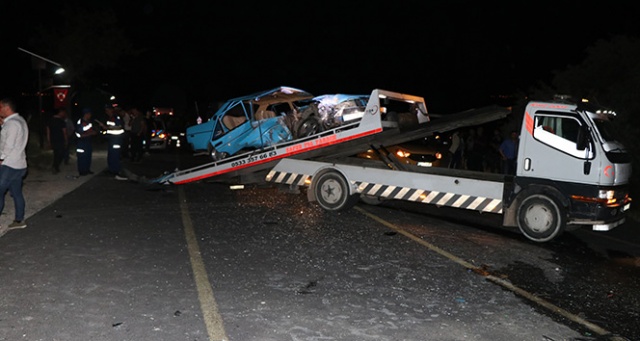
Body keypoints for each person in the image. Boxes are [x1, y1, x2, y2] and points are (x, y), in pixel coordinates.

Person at [0, 98, 29, 229]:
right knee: (16, 193)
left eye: (0, 107)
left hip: (9, 164)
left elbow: (8, 145)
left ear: (6, 108)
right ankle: (19, 220)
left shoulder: (11, 124)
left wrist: (0, 159)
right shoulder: (20, 120)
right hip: (20, 164)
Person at [99, 105, 127, 180]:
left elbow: (119, 127)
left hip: (117, 139)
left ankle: (116, 171)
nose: (106, 112)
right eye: (106, 110)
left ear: (111, 110)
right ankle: (111, 170)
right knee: (111, 155)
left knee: (115, 155)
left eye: (108, 110)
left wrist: (106, 127)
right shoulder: (110, 118)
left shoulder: (116, 117)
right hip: (112, 139)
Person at [76, 108, 98, 176]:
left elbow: (90, 130)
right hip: (81, 142)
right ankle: (82, 171)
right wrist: (91, 133)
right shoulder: (80, 122)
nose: (90, 115)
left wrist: (94, 132)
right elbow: (80, 134)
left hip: (88, 141)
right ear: (86, 114)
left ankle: (87, 169)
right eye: (89, 114)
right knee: (82, 157)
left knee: (88, 156)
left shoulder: (89, 122)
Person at [46, 107, 69, 174]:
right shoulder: (61, 121)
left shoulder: (50, 120)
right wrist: (66, 140)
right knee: (60, 154)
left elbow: (48, 132)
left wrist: (49, 141)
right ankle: (55, 166)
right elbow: (64, 132)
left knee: (56, 153)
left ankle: (55, 166)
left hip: (53, 139)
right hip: (60, 139)